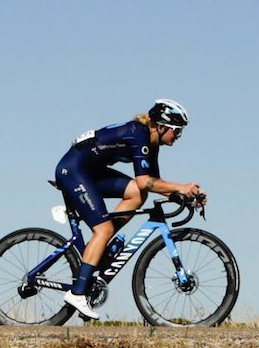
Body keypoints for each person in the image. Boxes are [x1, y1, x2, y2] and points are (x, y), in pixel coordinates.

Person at [55, 99, 203, 320]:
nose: (178, 137)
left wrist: (182, 195)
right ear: (161, 126)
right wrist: (181, 186)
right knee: (103, 229)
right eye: (177, 131)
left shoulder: (152, 143)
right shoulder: (139, 135)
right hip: (73, 170)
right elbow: (146, 181)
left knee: (136, 193)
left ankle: (99, 246)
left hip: (90, 171)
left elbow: (151, 183)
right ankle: (77, 293)